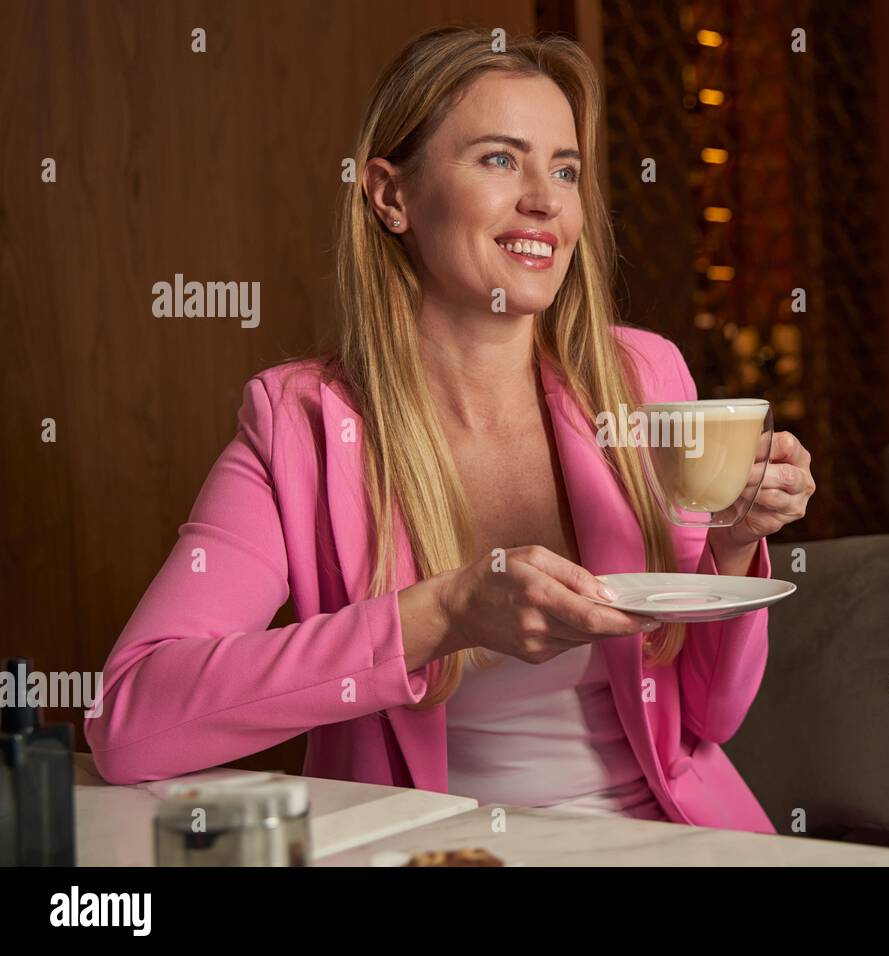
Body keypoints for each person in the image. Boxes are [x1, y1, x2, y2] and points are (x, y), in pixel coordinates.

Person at [86, 26, 814, 834]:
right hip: (438, 849)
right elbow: (128, 721)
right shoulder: (301, 424)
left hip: (670, 839)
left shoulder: (642, 381)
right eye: (501, 159)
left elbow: (711, 715)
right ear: (390, 196)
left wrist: (735, 545)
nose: (545, 198)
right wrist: (441, 616)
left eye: (564, 169)